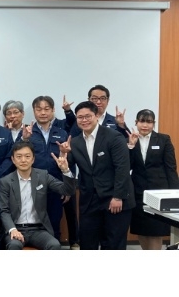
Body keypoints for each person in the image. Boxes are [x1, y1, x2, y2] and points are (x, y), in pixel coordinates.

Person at [63, 101, 135, 250]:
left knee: (113, 245)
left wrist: (118, 196)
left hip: (114, 199)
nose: (84, 120)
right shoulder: (75, 142)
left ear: (96, 115)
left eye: (88, 116)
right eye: (80, 117)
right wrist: (63, 159)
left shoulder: (114, 137)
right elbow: (68, 167)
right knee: (87, 244)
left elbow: (122, 168)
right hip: (89, 201)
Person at [0, 142, 75, 250]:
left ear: (33, 159)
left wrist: (65, 170)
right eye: (19, 157)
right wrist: (12, 229)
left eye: (27, 156)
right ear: (13, 160)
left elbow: (68, 190)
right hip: (16, 228)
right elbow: (4, 210)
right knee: (14, 245)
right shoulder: (6, 181)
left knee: (55, 245)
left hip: (38, 230)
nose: (23, 160)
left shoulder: (43, 176)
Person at [19, 96, 73, 244]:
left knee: (54, 224)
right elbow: (16, 155)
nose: (43, 113)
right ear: (34, 111)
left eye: (47, 109)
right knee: (32, 225)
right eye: (39, 109)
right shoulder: (27, 132)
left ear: (53, 110)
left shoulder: (61, 133)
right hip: (31, 186)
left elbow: (67, 162)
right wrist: (24, 140)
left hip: (55, 186)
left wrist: (66, 187)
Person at [126, 109, 179, 250]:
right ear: (136, 122)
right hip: (138, 192)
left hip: (159, 193)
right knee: (141, 230)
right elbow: (127, 166)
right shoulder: (130, 140)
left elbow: (171, 168)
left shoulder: (163, 139)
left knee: (156, 232)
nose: (145, 125)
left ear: (153, 124)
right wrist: (130, 146)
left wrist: (175, 193)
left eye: (149, 122)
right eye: (142, 121)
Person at [65, 85, 129, 139]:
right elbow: (73, 140)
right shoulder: (82, 120)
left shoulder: (115, 121)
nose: (98, 102)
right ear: (89, 100)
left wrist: (121, 125)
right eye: (95, 98)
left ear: (108, 101)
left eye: (102, 98)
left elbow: (127, 141)